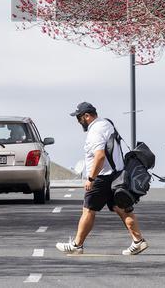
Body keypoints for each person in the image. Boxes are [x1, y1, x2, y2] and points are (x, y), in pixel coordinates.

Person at [56, 102, 148, 256]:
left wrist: (91, 179)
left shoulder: (95, 131)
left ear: (87, 116)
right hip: (116, 175)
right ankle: (138, 241)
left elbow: (99, 156)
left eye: (79, 118)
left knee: (88, 210)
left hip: (102, 177)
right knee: (122, 208)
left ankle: (77, 245)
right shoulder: (106, 123)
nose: (78, 121)